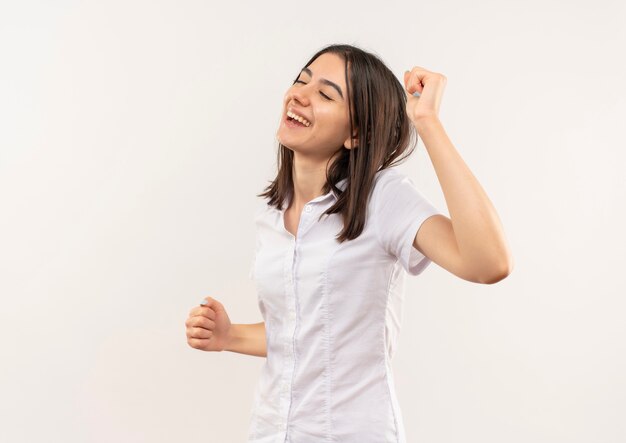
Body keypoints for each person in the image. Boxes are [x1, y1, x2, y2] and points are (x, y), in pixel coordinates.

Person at [185, 43, 513, 442]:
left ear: (356, 134)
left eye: (325, 94)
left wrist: (427, 122)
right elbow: (302, 335)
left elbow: (489, 263)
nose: (299, 95)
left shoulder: (383, 198)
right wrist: (229, 335)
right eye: (301, 80)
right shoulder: (273, 213)